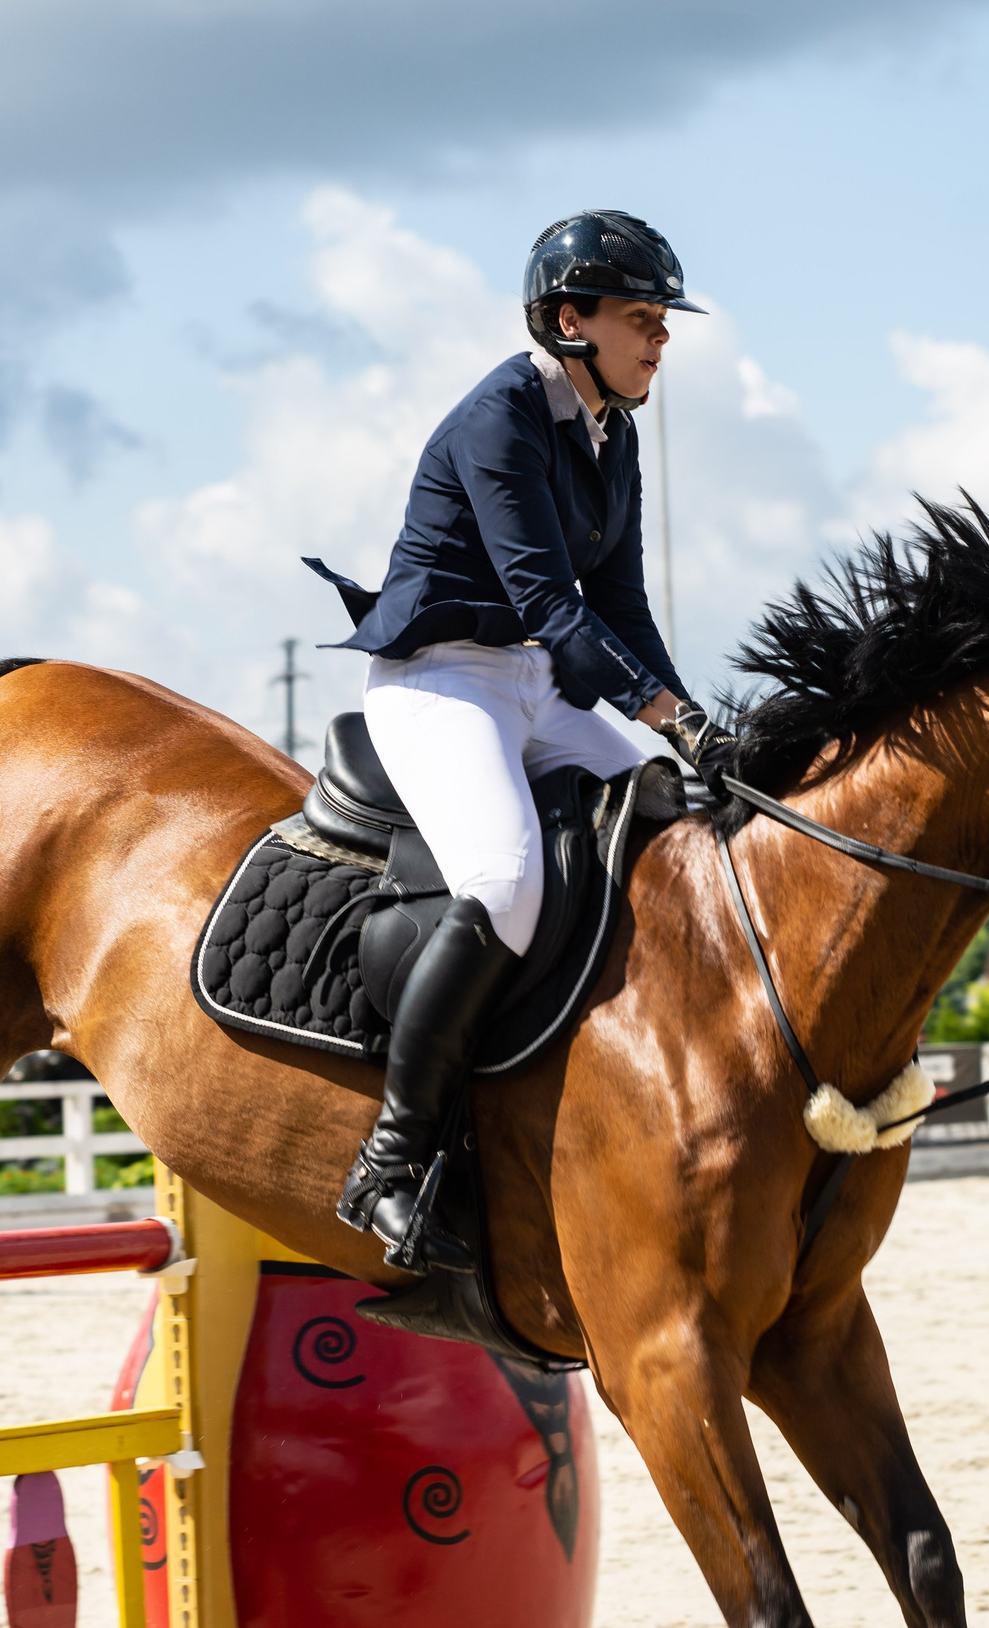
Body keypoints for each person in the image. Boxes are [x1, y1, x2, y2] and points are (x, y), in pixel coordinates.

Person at [303, 210, 735, 1272]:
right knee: (502, 882)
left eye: (661, 320)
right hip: (441, 682)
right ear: (566, 319)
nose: (662, 339)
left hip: (540, 685)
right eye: (643, 319)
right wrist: (668, 718)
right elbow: (548, 598)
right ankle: (393, 1161)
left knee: (673, 828)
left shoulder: (611, 431)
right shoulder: (498, 418)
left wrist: (701, 731)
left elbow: (620, 606)